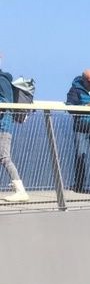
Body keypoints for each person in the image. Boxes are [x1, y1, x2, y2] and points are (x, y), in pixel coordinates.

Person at [66, 67, 90, 193]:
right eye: (89, 81)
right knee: (80, 156)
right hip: (81, 128)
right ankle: (79, 183)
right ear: (83, 80)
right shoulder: (74, 91)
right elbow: (70, 107)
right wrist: (86, 106)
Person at [0, 58, 27, 201]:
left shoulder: (2, 80)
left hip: (3, 125)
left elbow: (5, 101)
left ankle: (20, 190)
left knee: (4, 157)